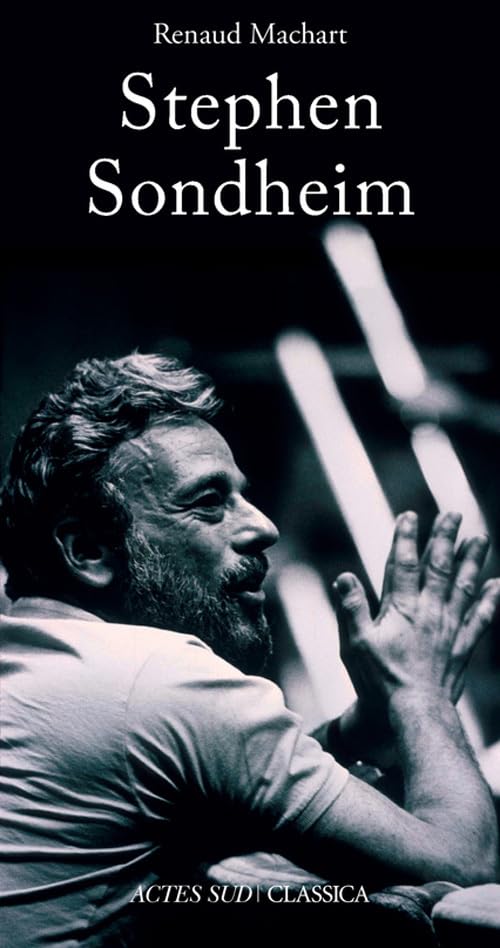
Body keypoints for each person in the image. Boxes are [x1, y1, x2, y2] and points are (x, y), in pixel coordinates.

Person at [0, 352, 498, 946]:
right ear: (88, 550)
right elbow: (465, 868)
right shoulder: (157, 677)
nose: (263, 526)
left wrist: (354, 734)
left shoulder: (44, 665)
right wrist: (420, 692)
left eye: (243, 496)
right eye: (209, 502)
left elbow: (210, 783)